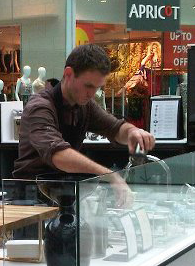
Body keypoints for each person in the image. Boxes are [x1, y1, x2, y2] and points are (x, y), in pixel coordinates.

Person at [14, 44, 155, 206]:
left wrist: (132, 132)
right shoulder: (40, 107)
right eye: (88, 86)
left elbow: (114, 127)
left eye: (97, 88)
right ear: (68, 74)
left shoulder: (84, 105)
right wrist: (110, 175)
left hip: (60, 196)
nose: (92, 93)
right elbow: (58, 154)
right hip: (30, 201)